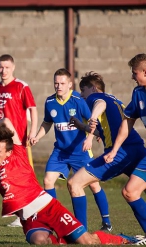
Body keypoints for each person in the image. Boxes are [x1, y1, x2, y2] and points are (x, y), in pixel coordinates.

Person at [0, 118, 146, 245]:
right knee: (38, 242)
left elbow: (7, 122)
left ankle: (126, 240)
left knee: (87, 242)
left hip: (48, 207)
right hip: (28, 218)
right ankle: (64, 240)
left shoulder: (19, 155)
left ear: (7, 150)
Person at [30, 68, 112, 231]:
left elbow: (92, 122)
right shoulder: (50, 102)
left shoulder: (78, 100)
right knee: (47, 181)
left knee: (94, 185)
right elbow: (47, 123)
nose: (58, 86)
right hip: (60, 151)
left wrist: (89, 138)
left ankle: (106, 222)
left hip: (80, 151)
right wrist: (38, 136)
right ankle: (52, 220)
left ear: (69, 84)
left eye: (62, 83)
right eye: (56, 83)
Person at [67, 71, 146, 235]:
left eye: (83, 91)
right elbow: (108, 126)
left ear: (94, 88)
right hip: (136, 147)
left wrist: (93, 116)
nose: (82, 95)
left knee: (75, 183)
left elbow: (99, 104)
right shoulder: (114, 99)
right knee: (133, 191)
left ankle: (81, 236)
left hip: (119, 153)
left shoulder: (95, 98)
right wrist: (83, 126)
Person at [0, 54, 38, 227]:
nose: (3, 70)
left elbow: (33, 109)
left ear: (13, 67)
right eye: (0, 67)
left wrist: (32, 132)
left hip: (17, 140)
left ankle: (28, 212)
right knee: (5, 176)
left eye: (7, 67)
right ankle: (20, 211)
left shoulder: (21, 86)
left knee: (23, 177)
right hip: (0, 140)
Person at [103, 53, 146, 236]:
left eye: (134, 73)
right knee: (130, 191)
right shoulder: (138, 94)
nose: (132, 77)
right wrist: (115, 149)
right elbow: (127, 122)